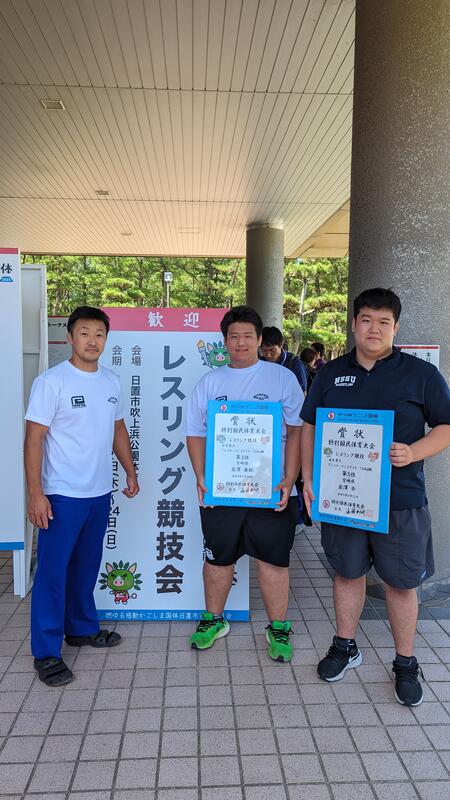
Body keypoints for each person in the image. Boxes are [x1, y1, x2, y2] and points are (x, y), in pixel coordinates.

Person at [301, 288, 450, 706]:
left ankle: (405, 661)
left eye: (384, 322)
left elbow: (445, 426)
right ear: (354, 324)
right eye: (366, 319)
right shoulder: (330, 373)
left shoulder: (420, 374)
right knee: (347, 573)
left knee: (401, 584)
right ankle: (345, 646)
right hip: (343, 498)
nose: (374, 329)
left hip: (400, 501)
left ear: (395, 327)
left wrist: (414, 452)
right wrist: (308, 478)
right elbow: (309, 425)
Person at [24, 306, 139, 687]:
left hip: (99, 492)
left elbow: (118, 428)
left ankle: (81, 628)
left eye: (99, 334)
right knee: (52, 573)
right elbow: (34, 439)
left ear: (106, 340)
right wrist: (36, 494)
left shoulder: (110, 382)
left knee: (87, 565)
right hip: (61, 494)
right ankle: (46, 652)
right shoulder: (51, 382)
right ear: (70, 337)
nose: (92, 340)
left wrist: (130, 469)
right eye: (85, 333)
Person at [186, 306, 302, 662]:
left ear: (259, 339)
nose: (240, 342)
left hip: (272, 489)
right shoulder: (210, 382)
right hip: (222, 489)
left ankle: (278, 627)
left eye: (247, 336)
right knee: (218, 559)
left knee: (273, 560)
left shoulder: (282, 378)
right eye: (233, 336)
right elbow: (194, 432)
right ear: (224, 341)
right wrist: (201, 476)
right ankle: (214, 620)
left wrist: (290, 477)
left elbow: (298, 430)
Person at [261, 326, 308, 394]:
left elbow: (302, 393)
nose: (268, 355)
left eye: (272, 350)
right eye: (264, 350)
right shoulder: (260, 362)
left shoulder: (294, 363)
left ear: (281, 344)